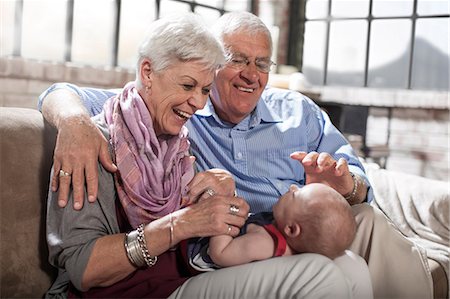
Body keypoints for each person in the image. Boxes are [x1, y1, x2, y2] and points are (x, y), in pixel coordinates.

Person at [43, 13, 360, 299]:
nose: (197, 102)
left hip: (190, 275)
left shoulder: (177, 143)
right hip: (136, 290)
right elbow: (82, 270)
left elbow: (208, 231)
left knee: (351, 266)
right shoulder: (93, 143)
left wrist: (225, 195)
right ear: (147, 72)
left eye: (206, 90)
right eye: (187, 85)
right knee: (320, 275)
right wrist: (182, 223)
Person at [189, 183, 356, 271]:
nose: (292, 187)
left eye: (294, 194)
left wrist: (225, 208)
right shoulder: (285, 229)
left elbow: (219, 254)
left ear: (291, 229)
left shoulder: (263, 243)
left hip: (202, 252)